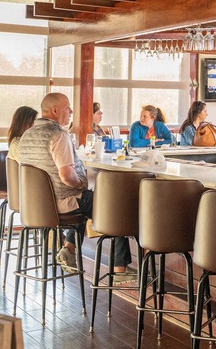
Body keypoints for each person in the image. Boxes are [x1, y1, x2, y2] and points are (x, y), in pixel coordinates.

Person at [19, 93, 134, 280]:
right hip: (62, 201)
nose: (71, 111)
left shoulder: (27, 135)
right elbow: (66, 176)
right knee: (114, 207)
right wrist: (81, 183)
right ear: (55, 110)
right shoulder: (58, 135)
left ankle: (69, 250)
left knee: (86, 200)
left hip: (36, 206)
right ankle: (120, 269)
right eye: (68, 107)